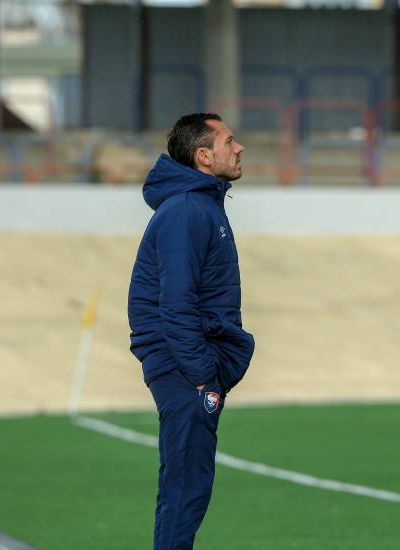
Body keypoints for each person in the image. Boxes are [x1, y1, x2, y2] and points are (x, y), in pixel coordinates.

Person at [127, 113, 256, 549]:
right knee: (185, 486)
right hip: (185, 367)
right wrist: (203, 374)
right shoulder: (186, 210)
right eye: (229, 141)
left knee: (189, 485)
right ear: (204, 156)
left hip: (191, 363)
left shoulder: (200, 205)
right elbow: (176, 302)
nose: (238, 149)